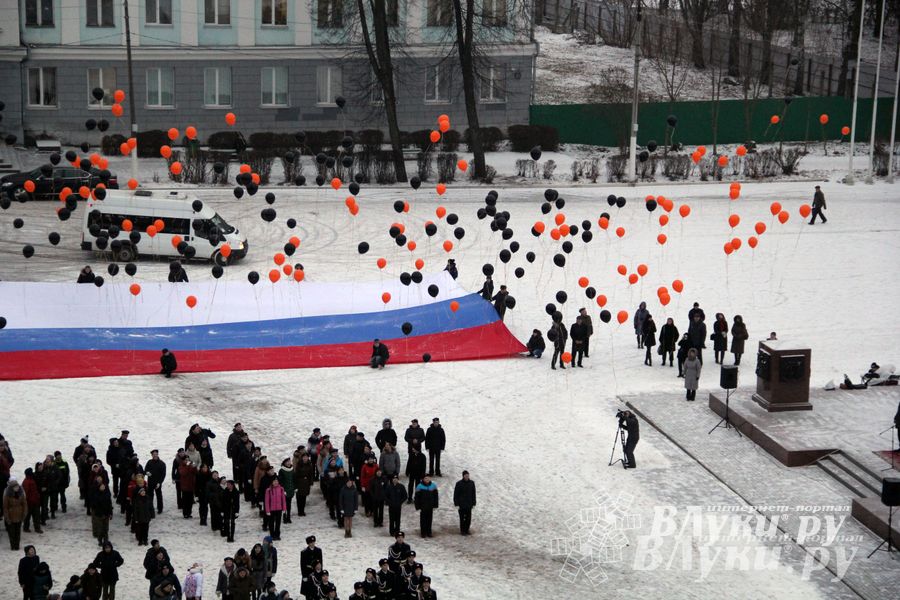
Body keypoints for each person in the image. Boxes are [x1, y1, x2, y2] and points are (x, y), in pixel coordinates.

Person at [4, 477, 27, 550]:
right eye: (15, 487)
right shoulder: (7, 495)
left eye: (17, 486)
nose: (16, 488)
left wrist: (24, 514)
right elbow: (5, 507)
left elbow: (24, 504)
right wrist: (7, 517)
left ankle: (17, 546)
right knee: (11, 533)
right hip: (11, 516)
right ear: (11, 488)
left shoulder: (21, 494)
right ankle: (12, 546)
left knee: (18, 532)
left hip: (19, 516)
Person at [453, 470, 476, 535]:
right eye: (466, 475)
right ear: (463, 476)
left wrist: (474, 502)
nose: (467, 477)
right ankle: (462, 530)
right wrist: (456, 503)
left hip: (469, 504)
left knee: (468, 518)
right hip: (461, 504)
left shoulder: (472, 483)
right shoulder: (459, 483)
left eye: (468, 475)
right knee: (462, 518)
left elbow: (473, 493)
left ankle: (467, 529)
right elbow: (456, 494)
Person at [90, 481, 113, 546]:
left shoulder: (107, 494)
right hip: (99, 515)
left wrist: (110, 513)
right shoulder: (96, 495)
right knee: (100, 528)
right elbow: (95, 506)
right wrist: (100, 514)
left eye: (103, 486)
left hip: (106, 514)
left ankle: (106, 540)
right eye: (101, 486)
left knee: (106, 528)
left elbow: (109, 504)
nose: (103, 487)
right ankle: (100, 540)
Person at [144, 449, 166, 514]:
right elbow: (145, 470)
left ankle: (160, 508)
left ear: (157, 454)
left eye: (156, 454)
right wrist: (147, 472)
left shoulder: (162, 463)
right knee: (150, 496)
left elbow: (163, 474)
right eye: (153, 454)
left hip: (157, 483)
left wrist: (160, 482)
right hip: (150, 482)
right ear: (152, 455)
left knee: (159, 496)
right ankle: (150, 508)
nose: (155, 455)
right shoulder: (149, 462)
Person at [22, 467, 42, 533]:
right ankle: (31, 528)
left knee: (34, 516)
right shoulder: (27, 482)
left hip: (34, 501)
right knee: (32, 516)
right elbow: (25, 493)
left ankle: (33, 528)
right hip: (30, 502)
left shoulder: (29, 480)